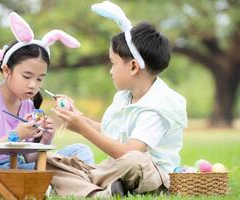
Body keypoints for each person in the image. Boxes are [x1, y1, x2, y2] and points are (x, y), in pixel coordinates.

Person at [49, 1, 187, 198]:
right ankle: (98, 192)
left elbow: (127, 153)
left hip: (147, 174)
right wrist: (78, 118)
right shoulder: (125, 97)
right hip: (115, 170)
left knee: (134, 160)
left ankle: (87, 182)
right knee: (49, 161)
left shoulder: (158, 106)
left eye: (113, 63)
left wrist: (82, 128)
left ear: (133, 67)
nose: (111, 71)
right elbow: (111, 132)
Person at [0, 12, 94, 192]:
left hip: (15, 167)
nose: (33, 85)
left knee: (80, 151)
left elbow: (27, 158)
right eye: (27, 76)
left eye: (40, 79)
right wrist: (15, 135)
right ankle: (84, 184)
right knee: (50, 170)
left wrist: (45, 137)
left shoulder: (26, 103)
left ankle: (81, 183)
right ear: (6, 70)